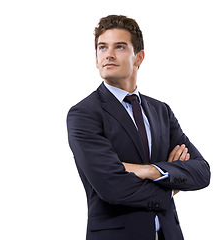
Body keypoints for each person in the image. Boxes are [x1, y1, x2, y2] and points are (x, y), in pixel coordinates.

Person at [67, 15, 210, 240]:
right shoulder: (84, 114)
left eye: (120, 47)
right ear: (96, 58)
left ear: (139, 57)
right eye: (102, 47)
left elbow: (202, 171)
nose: (109, 54)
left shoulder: (161, 110)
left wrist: (151, 170)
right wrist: (170, 185)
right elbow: (111, 187)